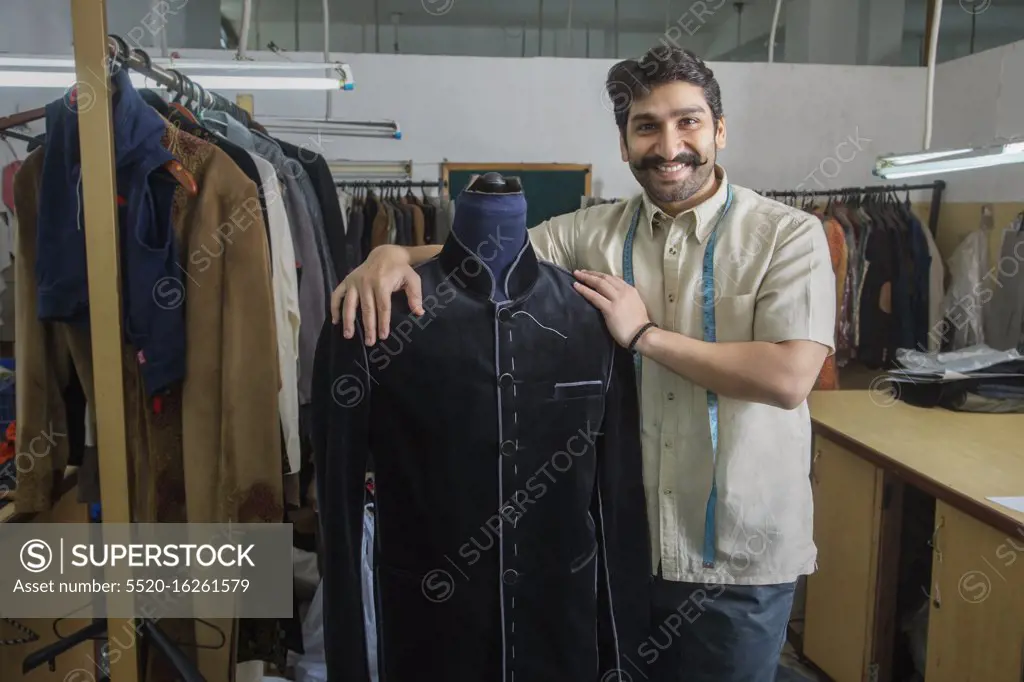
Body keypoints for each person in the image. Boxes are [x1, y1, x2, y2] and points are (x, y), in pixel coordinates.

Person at [329, 46, 836, 682]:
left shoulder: (787, 236)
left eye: (688, 121)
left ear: (720, 130)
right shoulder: (592, 233)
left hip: (734, 559)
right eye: (646, 126)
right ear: (624, 144)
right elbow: (488, 259)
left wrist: (645, 334)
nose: (668, 143)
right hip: (622, 557)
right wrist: (391, 252)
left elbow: (790, 378)